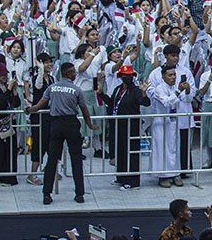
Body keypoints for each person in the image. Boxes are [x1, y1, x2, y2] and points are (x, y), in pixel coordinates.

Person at [26, 60, 95, 205]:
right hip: (71, 124)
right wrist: (90, 124)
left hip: (55, 124)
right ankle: (79, 194)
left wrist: (29, 110)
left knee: (52, 161)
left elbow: (39, 105)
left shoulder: (52, 88)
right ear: (68, 73)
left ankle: (46, 194)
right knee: (76, 159)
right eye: (73, 72)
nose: (75, 74)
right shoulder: (77, 90)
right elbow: (84, 110)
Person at [110, 65, 149, 190]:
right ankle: (121, 177)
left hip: (132, 125)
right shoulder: (118, 89)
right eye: (125, 75)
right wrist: (100, 94)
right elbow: (112, 103)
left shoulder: (136, 90)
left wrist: (144, 92)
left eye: (130, 76)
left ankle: (133, 181)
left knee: (131, 152)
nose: (127, 78)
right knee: (121, 150)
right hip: (119, 123)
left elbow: (145, 102)